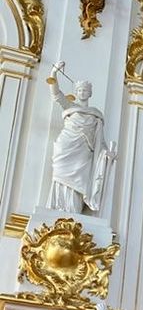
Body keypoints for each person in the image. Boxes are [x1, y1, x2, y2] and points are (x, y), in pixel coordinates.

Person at [47, 63, 116, 215]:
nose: (82, 93)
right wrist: (54, 73)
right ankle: (58, 207)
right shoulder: (69, 105)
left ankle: (72, 211)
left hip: (84, 152)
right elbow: (56, 94)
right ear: (76, 92)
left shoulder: (95, 114)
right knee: (60, 176)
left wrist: (106, 154)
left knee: (79, 182)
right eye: (79, 90)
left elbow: (100, 139)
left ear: (90, 93)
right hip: (66, 146)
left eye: (85, 90)